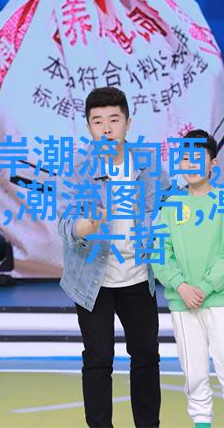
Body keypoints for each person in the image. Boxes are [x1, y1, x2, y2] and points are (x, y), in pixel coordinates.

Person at [57, 86, 171, 428]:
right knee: (98, 358)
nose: (106, 129)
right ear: (88, 127)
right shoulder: (77, 169)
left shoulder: (148, 165)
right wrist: (88, 225)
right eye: (98, 122)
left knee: (146, 356)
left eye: (113, 120)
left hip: (138, 276)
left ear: (127, 122)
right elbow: (65, 224)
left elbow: (168, 205)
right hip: (93, 281)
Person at [152, 129, 224, 428]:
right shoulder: (170, 204)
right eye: (185, 158)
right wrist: (180, 285)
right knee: (194, 374)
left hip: (221, 300)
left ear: (213, 164)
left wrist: (205, 288)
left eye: (198, 157)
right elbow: (160, 251)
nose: (191, 164)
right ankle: (201, 423)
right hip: (183, 303)